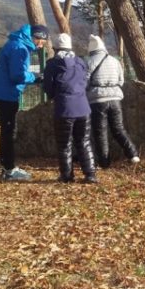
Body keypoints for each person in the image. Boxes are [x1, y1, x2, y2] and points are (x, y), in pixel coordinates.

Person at [0, 23, 49, 181]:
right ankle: (9, 169)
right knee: (9, 131)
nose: (41, 46)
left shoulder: (16, 44)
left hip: (3, 92)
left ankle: (7, 166)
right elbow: (17, 75)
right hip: (7, 94)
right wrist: (35, 77)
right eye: (41, 42)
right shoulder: (20, 48)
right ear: (36, 37)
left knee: (7, 130)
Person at [43, 33, 97, 184]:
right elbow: (86, 82)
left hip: (64, 109)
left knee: (64, 144)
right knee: (84, 141)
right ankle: (90, 174)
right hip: (83, 107)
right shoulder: (80, 62)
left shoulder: (52, 64)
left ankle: (67, 176)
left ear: (56, 48)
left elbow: (48, 87)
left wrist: (54, 95)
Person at [85, 34, 139, 167]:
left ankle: (104, 162)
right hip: (115, 99)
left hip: (97, 100)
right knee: (118, 128)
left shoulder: (89, 61)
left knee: (100, 132)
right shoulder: (114, 61)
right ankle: (133, 154)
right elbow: (121, 80)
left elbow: (85, 82)